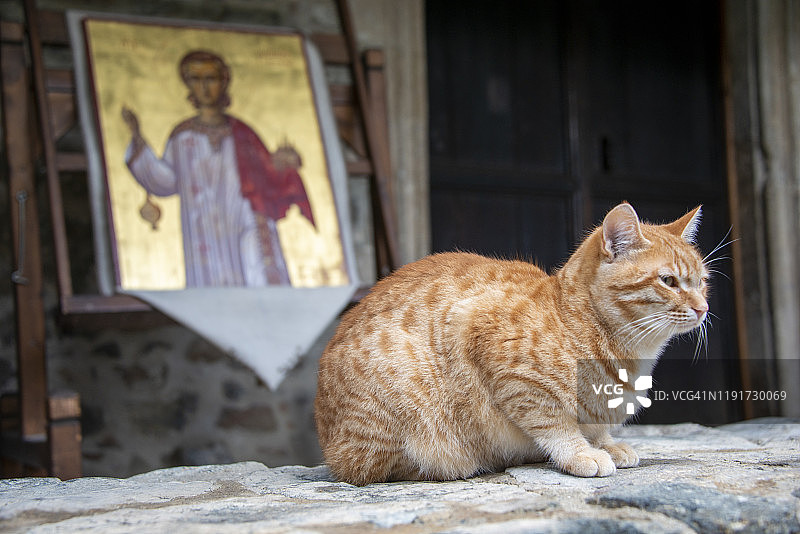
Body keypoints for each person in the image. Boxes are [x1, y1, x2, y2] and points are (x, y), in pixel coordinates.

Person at [122, 50, 315, 287]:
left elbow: (268, 177)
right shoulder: (182, 136)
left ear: (224, 81)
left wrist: (284, 164)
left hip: (245, 219)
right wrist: (137, 138)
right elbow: (166, 182)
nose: (204, 87)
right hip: (204, 227)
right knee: (212, 277)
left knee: (254, 269)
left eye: (210, 78)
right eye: (195, 79)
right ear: (187, 84)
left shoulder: (243, 133)